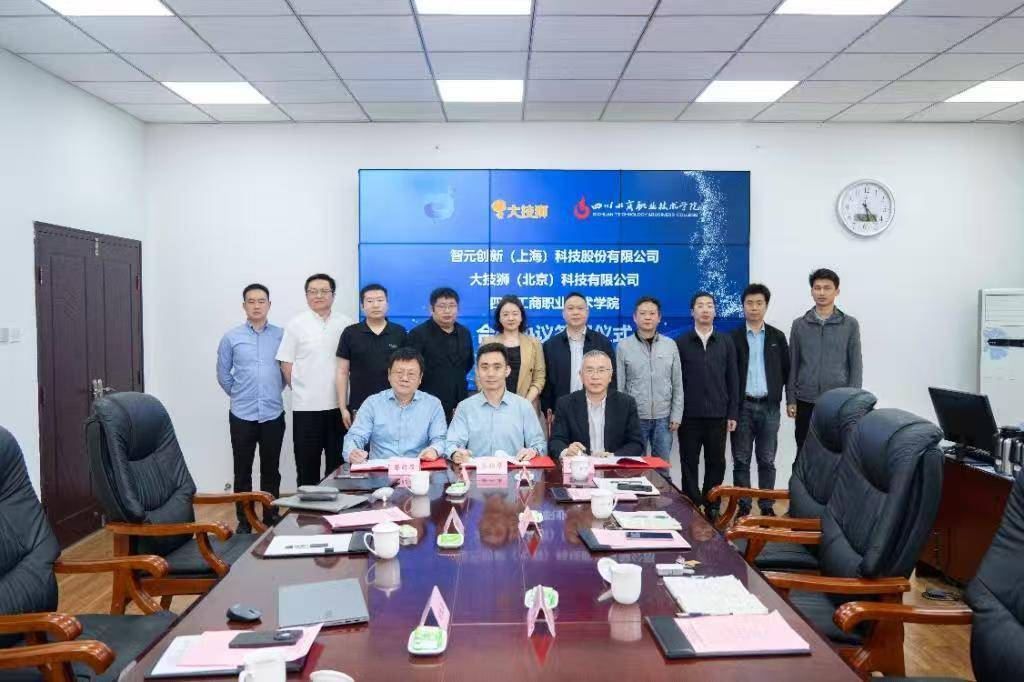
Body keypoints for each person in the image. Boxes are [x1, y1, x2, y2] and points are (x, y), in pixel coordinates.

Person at [216, 283, 285, 533]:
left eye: (261, 301)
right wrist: (239, 394)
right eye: (251, 301)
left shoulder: (281, 336)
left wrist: (272, 388)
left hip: (272, 413)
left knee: (271, 470)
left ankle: (270, 518)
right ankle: (244, 522)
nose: (256, 306)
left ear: (269, 305)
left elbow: (285, 372)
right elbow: (223, 374)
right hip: (242, 414)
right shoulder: (231, 337)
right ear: (244, 305)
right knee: (242, 470)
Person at [276, 273, 353, 486]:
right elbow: (286, 364)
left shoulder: (346, 324)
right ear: (306, 296)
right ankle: (307, 507)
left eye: (324, 291)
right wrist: (301, 389)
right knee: (306, 465)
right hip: (306, 408)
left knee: (337, 467)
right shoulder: (296, 324)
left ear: (333, 295)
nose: (318, 295)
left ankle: (337, 506)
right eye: (313, 291)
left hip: (339, 408)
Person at [729, 283, 791, 518]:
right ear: (743, 306)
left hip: (769, 406)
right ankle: (744, 507)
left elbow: (787, 371)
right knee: (741, 460)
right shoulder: (733, 337)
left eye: (759, 303)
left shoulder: (777, 336)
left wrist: (790, 401)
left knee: (767, 459)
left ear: (766, 305)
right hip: (742, 406)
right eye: (749, 303)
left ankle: (766, 506)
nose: (754, 308)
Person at [676, 291, 738, 521]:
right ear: (692, 311)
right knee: (688, 462)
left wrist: (732, 412)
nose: (705, 309)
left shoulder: (726, 341)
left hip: (717, 414)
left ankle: (712, 503)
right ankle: (692, 502)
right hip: (689, 415)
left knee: (716, 462)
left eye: (709, 305)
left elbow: (733, 379)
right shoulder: (681, 342)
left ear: (715, 311)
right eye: (700, 305)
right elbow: (676, 381)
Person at [789, 268, 863, 452]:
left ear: (837, 291)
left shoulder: (850, 324)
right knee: (803, 451)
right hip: (805, 399)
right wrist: (791, 399)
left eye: (827, 288)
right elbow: (793, 364)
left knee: (835, 453)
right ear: (811, 291)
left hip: (838, 402)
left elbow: (855, 366)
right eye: (817, 288)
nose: (821, 292)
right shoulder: (799, 324)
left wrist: (853, 402)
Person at [445, 343, 547, 464]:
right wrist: (456, 453)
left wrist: (532, 451)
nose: (491, 373)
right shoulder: (465, 407)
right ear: (477, 371)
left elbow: (539, 445)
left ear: (507, 370)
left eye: (497, 367)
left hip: (513, 473)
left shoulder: (523, 406)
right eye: (484, 367)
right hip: (475, 473)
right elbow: (452, 444)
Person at [342, 347, 446, 463]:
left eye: (411, 374)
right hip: (380, 471)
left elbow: (440, 439)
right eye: (399, 373)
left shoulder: (433, 405)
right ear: (389, 374)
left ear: (420, 378)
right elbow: (355, 436)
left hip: (418, 469)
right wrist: (352, 452)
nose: (404, 378)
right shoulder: (372, 403)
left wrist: (434, 450)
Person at [615, 296, 683, 458]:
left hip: (664, 418)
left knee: (662, 466)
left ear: (659, 317)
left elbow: (677, 383)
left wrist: (676, 414)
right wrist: (622, 417)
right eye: (643, 313)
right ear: (634, 317)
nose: (647, 317)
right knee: (634, 466)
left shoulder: (670, 345)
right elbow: (619, 385)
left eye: (652, 313)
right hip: (635, 418)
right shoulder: (624, 346)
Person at [336, 283, 407, 429]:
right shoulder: (350, 333)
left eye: (380, 300)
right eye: (369, 301)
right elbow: (342, 372)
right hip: (360, 406)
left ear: (387, 304)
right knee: (361, 443)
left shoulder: (399, 332)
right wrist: (343, 408)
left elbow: (408, 370)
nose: (375, 305)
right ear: (362, 306)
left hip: (395, 405)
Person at [541, 292, 615, 431]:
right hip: (561, 413)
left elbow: (612, 379)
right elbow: (546, 383)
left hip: (596, 411)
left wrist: (609, 409)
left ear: (587, 312)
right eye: (570, 308)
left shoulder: (602, 343)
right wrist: (548, 409)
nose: (575, 312)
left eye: (580, 308)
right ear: (563, 313)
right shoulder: (550, 345)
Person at [549, 350, 644, 459]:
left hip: (614, 466)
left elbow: (636, 443)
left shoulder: (626, 403)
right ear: (581, 375)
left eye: (601, 370)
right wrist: (567, 451)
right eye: (589, 370)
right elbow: (556, 441)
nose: (595, 376)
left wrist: (613, 456)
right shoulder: (565, 404)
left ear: (610, 376)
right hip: (580, 466)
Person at [407, 287, 474, 423]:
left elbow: (468, 363)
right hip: (427, 403)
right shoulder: (418, 334)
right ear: (431, 309)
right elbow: (412, 370)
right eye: (442, 306)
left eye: (452, 306)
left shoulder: (465, 333)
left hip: (460, 402)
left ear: (458, 309)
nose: (447, 311)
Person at [482, 294, 545, 406]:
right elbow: (480, 376)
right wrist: (492, 400)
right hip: (493, 405)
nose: (510, 318)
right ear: (499, 318)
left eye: (515, 314)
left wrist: (525, 403)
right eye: (505, 314)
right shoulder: (487, 342)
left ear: (521, 317)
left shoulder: (534, 343)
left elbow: (539, 378)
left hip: (526, 405)